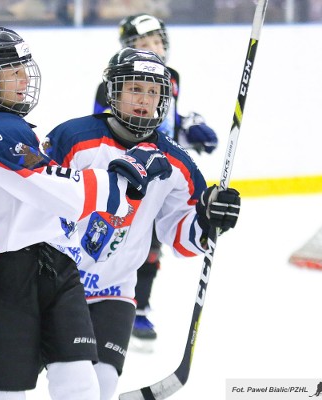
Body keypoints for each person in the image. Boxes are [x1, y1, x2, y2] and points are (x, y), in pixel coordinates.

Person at [0, 26, 173, 400]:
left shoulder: (14, 125)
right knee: (3, 391)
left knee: (81, 384)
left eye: (24, 70)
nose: (23, 80)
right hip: (9, 274)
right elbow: (43, 182)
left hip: (57, 266)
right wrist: (117, 181)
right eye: (12, 72)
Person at [45, 47, 241, 400]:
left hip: (114, 291)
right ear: (114, 92)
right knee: (7, 386)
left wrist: (211, 220)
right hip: (55, 288)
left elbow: (181, 238)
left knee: (99, 389)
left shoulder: (177, 163)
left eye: (153, 92)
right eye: (135, 89)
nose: (144, 100)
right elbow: (33, 200)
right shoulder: (72, 139)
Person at [92, 13, 220, 345]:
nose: (154, 49)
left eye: (157, 42)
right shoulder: (115, 81)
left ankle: (140, 304)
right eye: (143, 44)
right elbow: (102, 124)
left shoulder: (171, 79)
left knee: (152, 246)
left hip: (162, 175)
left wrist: (189, 126)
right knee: (116, 239)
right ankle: (97, 294)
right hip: (126, 174)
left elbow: (168, 119)